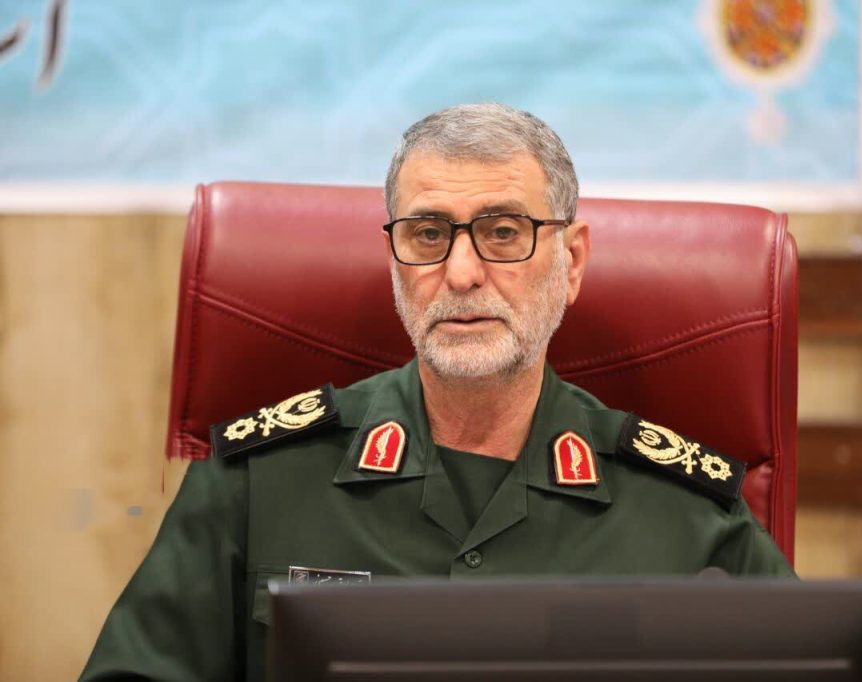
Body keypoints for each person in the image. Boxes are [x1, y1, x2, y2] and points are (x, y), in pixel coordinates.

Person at [80, 103, 794, 681]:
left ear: (571, 261)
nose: (461, 273)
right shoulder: (256, 480)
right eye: (427, 235)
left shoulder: (687, 514)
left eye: (503, 232)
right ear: (393, 259)